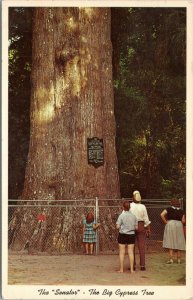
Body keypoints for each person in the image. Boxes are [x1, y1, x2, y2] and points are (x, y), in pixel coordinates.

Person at [130, 190, 151, 271]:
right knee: (141, 246)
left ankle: (133, 265)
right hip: (141, 225)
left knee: (131, 246)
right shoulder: (143, 206)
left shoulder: (130, 205)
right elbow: (146, 218)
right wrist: (148, 228)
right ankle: (142, 265)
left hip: (132, 225)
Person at [160, 198, 186, 264]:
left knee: (170, 241)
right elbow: (183, 221)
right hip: (179, 225)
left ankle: (171, 260)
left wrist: (166, 222)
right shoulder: (181, 211)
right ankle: (179, 260)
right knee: (179, 241)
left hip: (170, 224)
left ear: (171, 203)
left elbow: (162, 214)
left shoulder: (168, 209)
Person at [116, 201, 138, 273]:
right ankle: (132, 270)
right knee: (131, 252)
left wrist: (122, 227)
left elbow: (117, 226)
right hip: (131, 235)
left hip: (122, 235)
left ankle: (121, 269)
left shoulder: (121, 216)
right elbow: (136, 228)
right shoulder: (134, 216)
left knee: (122, 252)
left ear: (123, 207)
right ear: (129, 207)